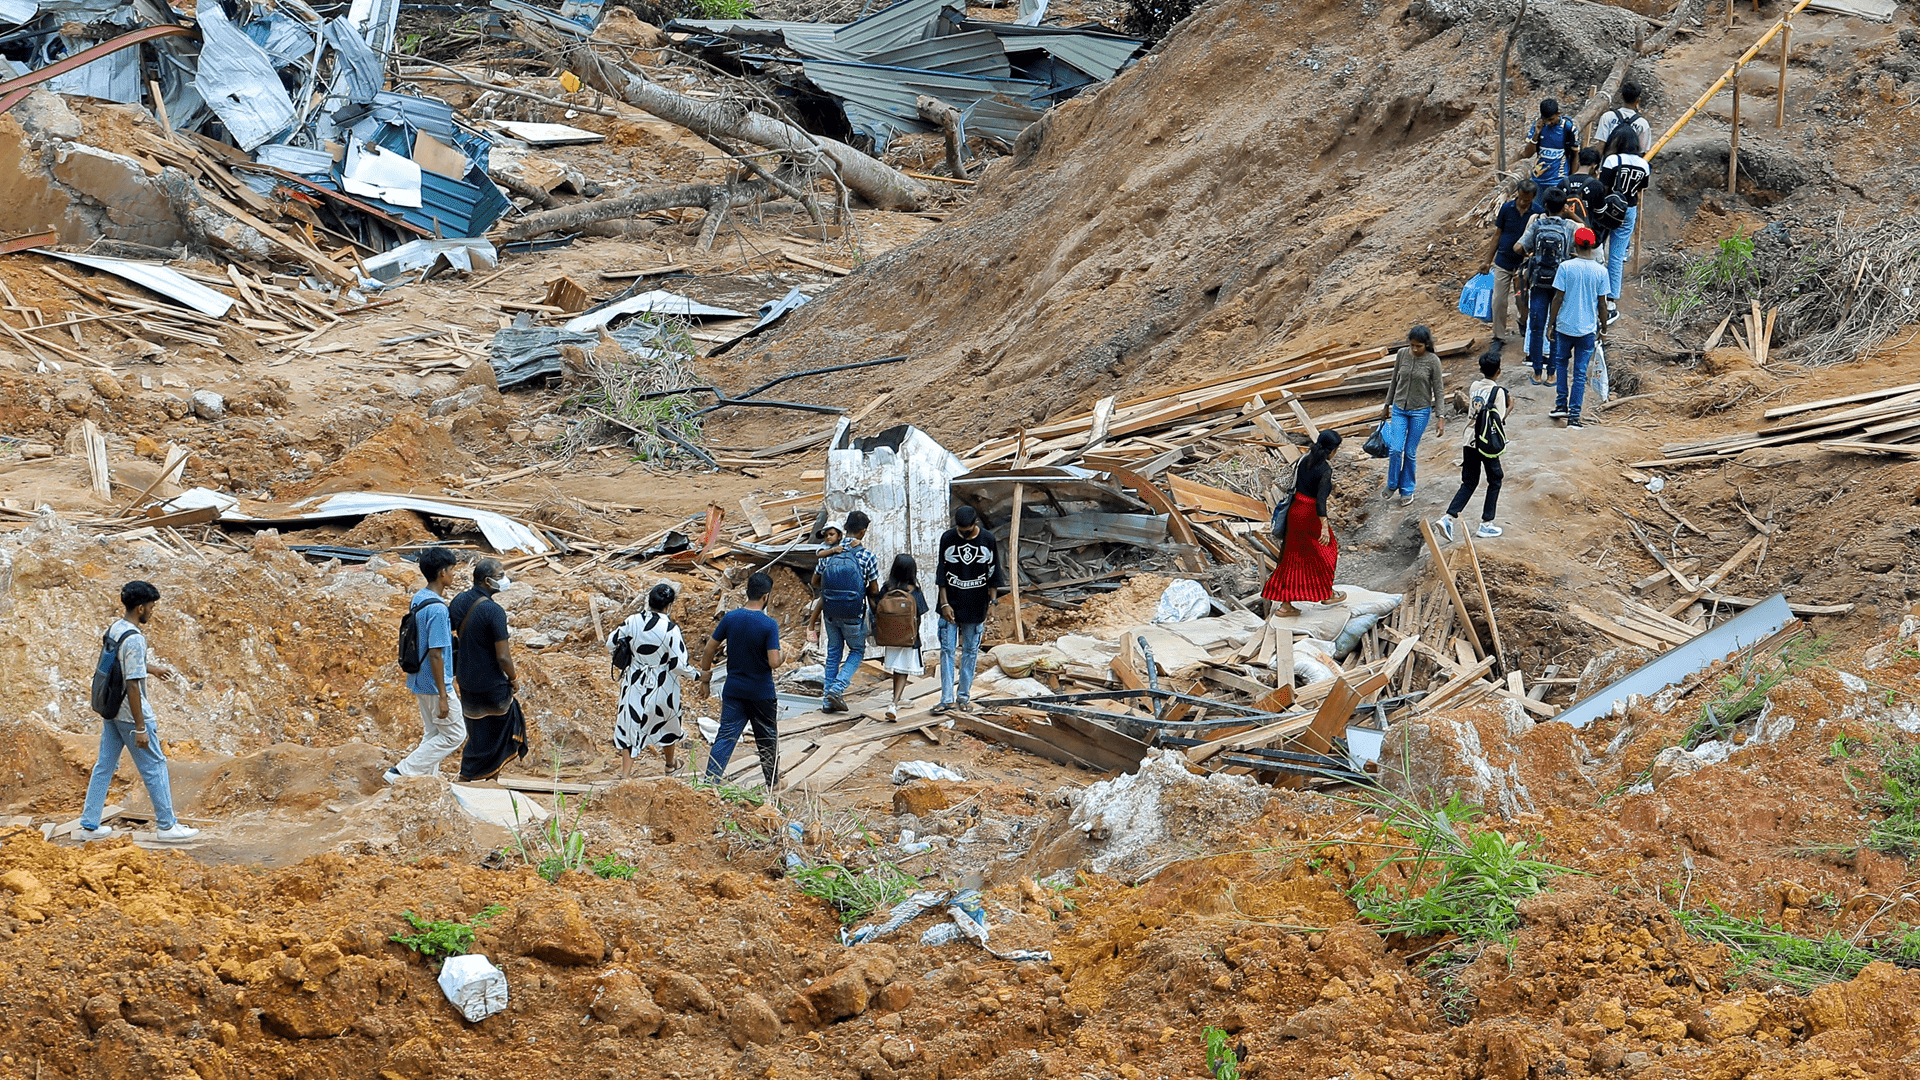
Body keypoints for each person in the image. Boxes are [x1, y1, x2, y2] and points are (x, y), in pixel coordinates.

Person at [79, 581, 197, 841]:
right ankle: (167, 826)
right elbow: (132, 685)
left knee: (104, 766)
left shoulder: (116, 629)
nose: (153, 612)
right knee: (155, 765)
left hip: (110, 710)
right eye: (152, 607)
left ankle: (89, 824)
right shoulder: (135, 639)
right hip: (130, 716)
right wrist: (141, 727)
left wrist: (151, 669)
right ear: (141, 607)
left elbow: (120, 664)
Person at [697, 572, 784, 789]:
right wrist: (784, 655)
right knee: (766, 738)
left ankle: (710, 781)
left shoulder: (730, 618)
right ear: (765, 597)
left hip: (734, 688)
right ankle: (772, 783)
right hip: (761, 692)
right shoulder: (768, 624)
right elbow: (774, 662)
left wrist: (705, 679)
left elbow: (709, 649)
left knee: (726, 735)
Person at [387, 546, 464, 783]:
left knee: (433, 733)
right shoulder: (439, 610)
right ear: (442, 573)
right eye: (452, 570)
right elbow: (436, 654)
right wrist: (444, 694)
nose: (454, 575)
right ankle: (401, 772)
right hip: (435, 682)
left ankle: (427, 782)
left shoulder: (419, 598)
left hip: (418, 678)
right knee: (455, 735)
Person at [448, 558, 527, 782]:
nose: (504, 580)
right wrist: (514, 678)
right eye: (500, 576)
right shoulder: (494, 612)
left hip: (466, 679)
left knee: (478, 731)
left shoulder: (459, 601)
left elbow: (451, 632)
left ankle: (469, 776)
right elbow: (503, 656)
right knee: (505, 728)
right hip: (492, 682)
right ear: (487, 581)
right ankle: (489, 779)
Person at [609, 583, 689, 779]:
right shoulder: (671, 629)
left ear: (649, 601)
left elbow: (611, 643)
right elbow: (679, 664)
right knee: (667, 722)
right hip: (664, 684)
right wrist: (697, 675)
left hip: (634, 681)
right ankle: (670, 765)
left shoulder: (632, 621)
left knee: (631, 722)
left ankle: (626, 775)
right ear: (669, 606)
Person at [1263, 431, 1346, 616]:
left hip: (1295, 511)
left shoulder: (1304, 460)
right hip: (1309, 515)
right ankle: (1327, 594)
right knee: (1327, 551)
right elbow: (1320, 501)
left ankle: (1286, 605)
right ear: (1332, 450)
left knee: (1292, 558)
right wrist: (1324, 526)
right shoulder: (1325, 470)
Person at [933, 505, 1004, 714]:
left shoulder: (988, 540)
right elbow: (941, 574)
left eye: (967, 531)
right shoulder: (947, 538)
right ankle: (946, 699)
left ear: (975, 524)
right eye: (960, 530)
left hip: (976, 604)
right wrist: (944, 603)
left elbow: (994, 574)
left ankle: (963, 696)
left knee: (970, 652)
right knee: (946, 651)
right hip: (950, 605)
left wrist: (992, 604)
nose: (963, 534)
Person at [1436, 346, 1511, 542]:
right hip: (1486, 443)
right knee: (1495, 478)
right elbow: (1499, 419)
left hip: (1469, 438)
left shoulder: (1475, 386)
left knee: (1469, 481)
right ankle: (1486, 523)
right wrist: (1511, 407)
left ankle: (1448, 517)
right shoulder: (1499, 392)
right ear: (1498, 371)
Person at [811, 513, 879, 714]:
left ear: (845, 528)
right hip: (853, 614)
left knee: (833, 653)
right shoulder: (867, 556)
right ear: (864, 531)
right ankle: (837, 688)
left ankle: (827, 701)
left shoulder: (829, 552)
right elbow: (874, 590)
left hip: (830, 612)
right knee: (857, 651)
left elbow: (815, 582)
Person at [1514, 189, 1580, 384]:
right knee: (1556, 326)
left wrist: (1531, 252)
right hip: (1561, 283)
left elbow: (1518, 247)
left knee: (1536, 326)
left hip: (1539, 282)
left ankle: (1536, 372)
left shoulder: (1537, 225)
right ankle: (1552, 374)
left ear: (1545, 206)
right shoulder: (1570, 226)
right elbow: (1588, 237)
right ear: (1563, 207)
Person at [1551, 227, 1611, 428]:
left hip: (1565, 326)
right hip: (1587, 329)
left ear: (1574, 245)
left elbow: (1558, 298)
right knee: (1579, 373)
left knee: (1561, 364)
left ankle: (1561, 404)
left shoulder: (1565, 267)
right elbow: (1602, 304)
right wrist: (1603, 327)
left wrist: (1551, 324)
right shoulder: (1601, 271)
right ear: (1593, 245)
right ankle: (1575, 416)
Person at [1379, 325, 1444, 507]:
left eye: (1419, 346)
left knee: (1409, 452)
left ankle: (1407, 489)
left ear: (1426, 345)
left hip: (1420, 412)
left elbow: (1438, 390)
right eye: (1412, 345)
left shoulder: (1433, 361)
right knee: (1395, 449)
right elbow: (1394, 380)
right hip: (1399, 408)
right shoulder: (1402, 354)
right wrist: (1386, 405)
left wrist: (1441, 417)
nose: (1414, 349)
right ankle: (1392, 484)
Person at [1596, 130, 1652, 316]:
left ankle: (1594, 290)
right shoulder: (1644, 164)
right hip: (1629, 209)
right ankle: (1611, 300)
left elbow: (1603, 186)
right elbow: (1642, 187)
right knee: (1617, 255)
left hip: (1609, 207)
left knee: (1598, 248)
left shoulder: (1612, 161)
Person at [870, 554, 929, 720]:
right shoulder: (914, 591)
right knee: (903, 671)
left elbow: (876, 610)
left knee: (898, 669)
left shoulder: (887, 588)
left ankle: (897, 698)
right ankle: (894, 704)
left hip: (890, 638)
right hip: (908, 638)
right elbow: (920, 614)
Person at [1484, 177, 1537, 345]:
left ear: (1533, 198)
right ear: (1517, 194)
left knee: (1522, 299)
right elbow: (1497, 235)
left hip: (1523, 265)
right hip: (1503, 261)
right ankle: (1498, 336)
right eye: (1521, 198)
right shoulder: (1506, 209)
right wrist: (1487, 261)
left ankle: (1523, 321)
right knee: (1498, 300)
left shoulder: (1537, 212)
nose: (1523, 203)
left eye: (1527, 200)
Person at [1519, 99, 1579, 210]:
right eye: (1545, 120)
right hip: (1538, 180)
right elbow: (1527, 153)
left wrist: (1571, 179)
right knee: (1536, 212)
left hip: (1558, 181)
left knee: (1554, 212)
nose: (1548, 123)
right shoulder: (1538, 126)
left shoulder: (1568, 128)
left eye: (1551, 119)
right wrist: (1536, 134)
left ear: (1558, 114)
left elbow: (1575, 155)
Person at [1592, 82, 1652, 163]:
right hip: (1628, 170)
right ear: (1638, 100)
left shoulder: (1608, 116)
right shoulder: (1643, 124)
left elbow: (1601, 145)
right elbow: (1642, 152)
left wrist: (1595, 167)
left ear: (1621, 96)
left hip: (1608, 165)